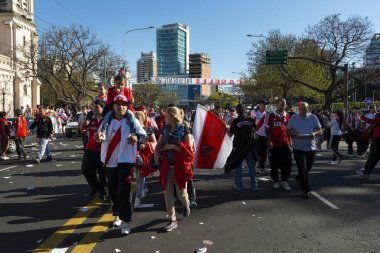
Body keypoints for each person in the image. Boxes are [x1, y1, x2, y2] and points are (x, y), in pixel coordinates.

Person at [95, 95, 146, 235]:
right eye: (118, 104)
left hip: (126, 161)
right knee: (113, 191)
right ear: (113, 106)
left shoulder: (132, 121)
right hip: (110, 162)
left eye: (124, 104)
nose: (121, 106)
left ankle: (126, 221)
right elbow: (99, 135)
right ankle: (117, 214)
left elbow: (144, 135)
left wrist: (136, 137)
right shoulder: (107, 122)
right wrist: (97, 136)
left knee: (124, 191)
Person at [154, 106, 194, 232]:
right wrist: (156, 152)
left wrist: (173, 147)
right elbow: (159, 143)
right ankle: (172, 220)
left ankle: (185, 204)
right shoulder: (165, 129)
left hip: (180, 166)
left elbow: (189, 150)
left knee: (182, 193)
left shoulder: (184, 129)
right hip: (167, 165)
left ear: (172, 116)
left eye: (167, 115)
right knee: (167, 193)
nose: (165, 117)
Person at [286, 102, 323, 198]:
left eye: (304, 109)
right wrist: (294, 135)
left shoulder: (313, 118)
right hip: (298, 148)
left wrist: (314, 134)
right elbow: (288, 131)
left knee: (307, 168)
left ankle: (299, 177)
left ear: (308, 109)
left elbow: (320, 130)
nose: (302, 111)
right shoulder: (294, 118)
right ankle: (305, 190)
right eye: (300, 109)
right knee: (303, 168)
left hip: (310, 147)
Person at [226, 104, 258, 191]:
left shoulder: (236, 121)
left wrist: (226, 128)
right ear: (245, 110)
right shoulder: (250, 120)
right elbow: (255, 130)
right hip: (249, 146)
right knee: (251, 166)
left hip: (239, 147)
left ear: (237, 111)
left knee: (238, 166)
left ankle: (239, 185)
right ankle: (254, 185)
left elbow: (230, 134)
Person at [265, 98, 292, 190]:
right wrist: (269, 140)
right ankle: (276, 180)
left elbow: (288, 129)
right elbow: (267, 128)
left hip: (285, 143)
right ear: (277, 104)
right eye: (281, 104)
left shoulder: (287, 115)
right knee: (274, 163)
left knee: (287, 162)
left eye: (284, 105)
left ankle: (285, 180)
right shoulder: (271, 115)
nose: (283, 106)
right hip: (274, 143)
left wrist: (290, 140)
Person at [134, 110, 157, 208]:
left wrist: (146, 145)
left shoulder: (148, 129)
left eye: (138, 118)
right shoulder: (131, 129)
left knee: (140, 176)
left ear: (142, 119)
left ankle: (137, 198)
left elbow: (155, 142)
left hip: (143, 157)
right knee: (137, 177)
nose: (136, 120)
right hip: (131, 155)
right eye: (134, 118)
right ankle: (144, 188)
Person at [357, 111, 380, 178]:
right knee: (373, 158)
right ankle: (366, 173)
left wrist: (362, 116)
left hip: (378, 141)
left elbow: (370, 121)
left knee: (372, 158)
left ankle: (366, 173)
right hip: (377, 141)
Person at [251, 100, 269, 175]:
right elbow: (251, 122)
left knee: (265, 152)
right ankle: (254, 166)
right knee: (257, 151)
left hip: (265, 135)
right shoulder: (254, 112)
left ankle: (261, 167)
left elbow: (269, 124)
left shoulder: (268, 113)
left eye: (265, 104)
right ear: (259, 105)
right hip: (257, 135)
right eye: (263, 104)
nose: (264, 106)